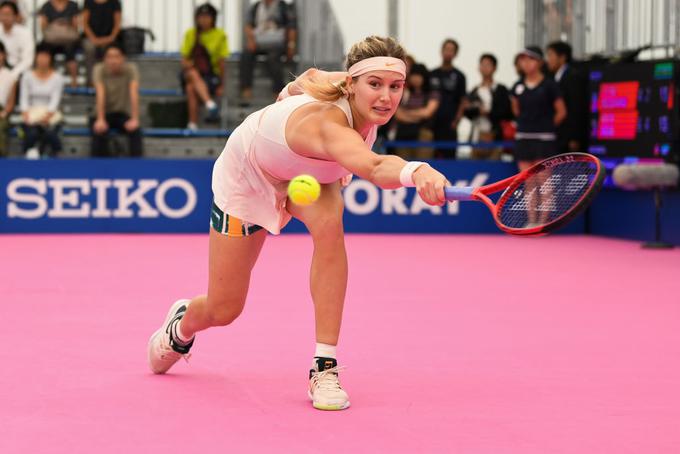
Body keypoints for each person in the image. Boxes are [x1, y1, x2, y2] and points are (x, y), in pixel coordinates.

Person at [147, 36, 449, 411]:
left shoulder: (352, 89)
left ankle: (325, 366)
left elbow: (308, 77)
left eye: (395, 86)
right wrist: (416, 169)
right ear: (352, 84)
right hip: (249, 174)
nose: (386, 97)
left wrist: (290, 91)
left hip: (306, 175)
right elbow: (372, 166)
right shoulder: (327, 126)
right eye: (375, 85)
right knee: (224, 309)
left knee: (330, 222)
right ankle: (181, 326)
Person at [510, 46, 566, 171]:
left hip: (544, 140)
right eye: (523, 59)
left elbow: (561, 112)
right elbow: (516, 110)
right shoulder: (517, 86)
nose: (526, 63)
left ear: (540, 62)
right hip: (523, 138)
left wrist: (546, 126)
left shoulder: (550, 85)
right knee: (528, 182)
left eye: (531, 59)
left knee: (544, 181)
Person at [179, 3, 228, 130]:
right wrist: (190, 64)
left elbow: (221, 63)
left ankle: (192, 124)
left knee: (191, 88)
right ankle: (210, 104)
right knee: (192, 73)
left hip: (211, 76)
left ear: (213, 18)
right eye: (201, 16)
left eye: (207, 16)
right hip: (191, 73)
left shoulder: (220, 35)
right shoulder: (191, 34)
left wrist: (221, 84)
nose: (204, 20)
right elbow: (184, 61)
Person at [240, 0, 297, 103]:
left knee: (273, 59)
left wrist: (291, 45)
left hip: (277, 43)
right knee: (246, 54)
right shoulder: (256, 7)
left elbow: (292, 27)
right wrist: (251, 40)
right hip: (258, 42)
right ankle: (246, 88)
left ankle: (278, 90)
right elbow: (248, 25)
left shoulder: (283, 6)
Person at [91, 44, 142, 157]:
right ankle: (98, 170)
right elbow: (100, 93)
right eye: (109, 57)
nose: (113, 60)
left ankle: (138, 168)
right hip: (102, 112)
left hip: (121, 113)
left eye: (116, 56)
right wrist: (100, 119)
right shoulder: (98, 69)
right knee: (98, 131)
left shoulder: (131, 69)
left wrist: (135, 118)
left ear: (123, 58)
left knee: (135, 131)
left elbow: (134, 92)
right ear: (104, 59)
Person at [19, 44, 64, 159]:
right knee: (31, 133)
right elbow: (23, 98)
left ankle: (55, 158)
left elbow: (55, 100)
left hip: (50, 115)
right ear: (36, 57)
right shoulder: (27, 76)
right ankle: (26, 159)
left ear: (50, 59)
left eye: (46, 56)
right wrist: (26, 114)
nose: (43, 59)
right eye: (40, 56)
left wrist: (47, 116)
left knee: (49, 133)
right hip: (31, 114)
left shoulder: (58, 78)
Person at [465, 53, 513, 160]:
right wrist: (476, 110)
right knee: (474, 169)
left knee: (494, 168)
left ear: (494, 68)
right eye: (482, 64)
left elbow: (506, 112)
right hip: (477, 136)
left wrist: (487, 112)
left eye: (488, 65)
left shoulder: (500, 89)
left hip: (495, 136)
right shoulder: (474, 90)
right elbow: (467, 112)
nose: (485, 68)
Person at [546, 40, 588, 153]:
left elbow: (577, 108)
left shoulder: (573, 76)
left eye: (550, 55)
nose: (548, 60)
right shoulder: (552, 78)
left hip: (569, 137)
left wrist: (575, 137)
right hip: (557, 136)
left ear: (562, 57)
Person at [393, 63, 440, 159]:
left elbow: (427, 113)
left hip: (423, 133)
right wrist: (416, 117)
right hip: (404, 133)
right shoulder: (404, 92)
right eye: (413, 75)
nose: (416, 78)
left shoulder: (432, 93)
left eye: (419, 75)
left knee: (422, 164)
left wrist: (407, 113)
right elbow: (397, 114)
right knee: (403, 165)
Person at [429, 38, 466, 159]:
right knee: (432, 157)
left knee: (450, 157)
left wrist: (457, 121)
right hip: (433, 124)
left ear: (455, 54)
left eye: (451, 50)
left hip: (450, 124)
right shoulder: (432, 74)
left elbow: (462, 100)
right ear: (441, 51)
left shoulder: (460, 76)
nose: (448, 52)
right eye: (446, 49)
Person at [38, 0, 81, 87]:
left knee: (70, 50)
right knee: (45, 49)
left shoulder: (73, 5)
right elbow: (43, 25)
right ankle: (46, 79)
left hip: (69, 39)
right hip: (51, 39)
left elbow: (76, 25)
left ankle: (74, 81)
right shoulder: (47, 6)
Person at [82, 0, 121, 85]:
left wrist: (111, 38)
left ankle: (107, 81)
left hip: (109, 38)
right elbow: (84, 24)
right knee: (89, 48)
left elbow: (117, 24)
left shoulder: (115, 2)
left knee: (110, 50)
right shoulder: (88, 2)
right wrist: (94, 39)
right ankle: (91, 81)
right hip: (91, 38)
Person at [0, 0, 33, 81]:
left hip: (18, 71)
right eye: (2, 14)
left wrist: (12, 74)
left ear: (15, 16)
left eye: (8, 14)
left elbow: (28, 60)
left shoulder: (25, 33)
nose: (5, 17)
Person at [0, 41, 16, 156]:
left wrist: (4, 113)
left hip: (2, 112)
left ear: (4, 55)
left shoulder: (10, 76)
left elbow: (11, 102)